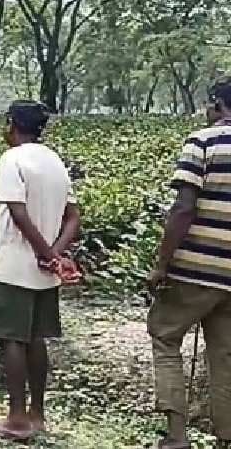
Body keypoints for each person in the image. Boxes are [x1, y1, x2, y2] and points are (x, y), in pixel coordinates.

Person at [0, 101, 82, 440]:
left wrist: (45, 253)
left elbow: (18, 213)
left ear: (11, 124)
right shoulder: (55, 162)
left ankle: (16, 419)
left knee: (12, 339)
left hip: (14, 264)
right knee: (36, 339)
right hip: (43, 270)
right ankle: (37, 415)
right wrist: (55, 254)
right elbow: (73, 217)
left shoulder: (13, 159)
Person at [147, 77, 231, 449]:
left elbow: (183, 208)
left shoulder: (203, 141)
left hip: (195, 271)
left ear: (216, 105)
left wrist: (161, 265)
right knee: (224, 356)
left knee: (165, 337)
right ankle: (226, 435)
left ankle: (177, 436)